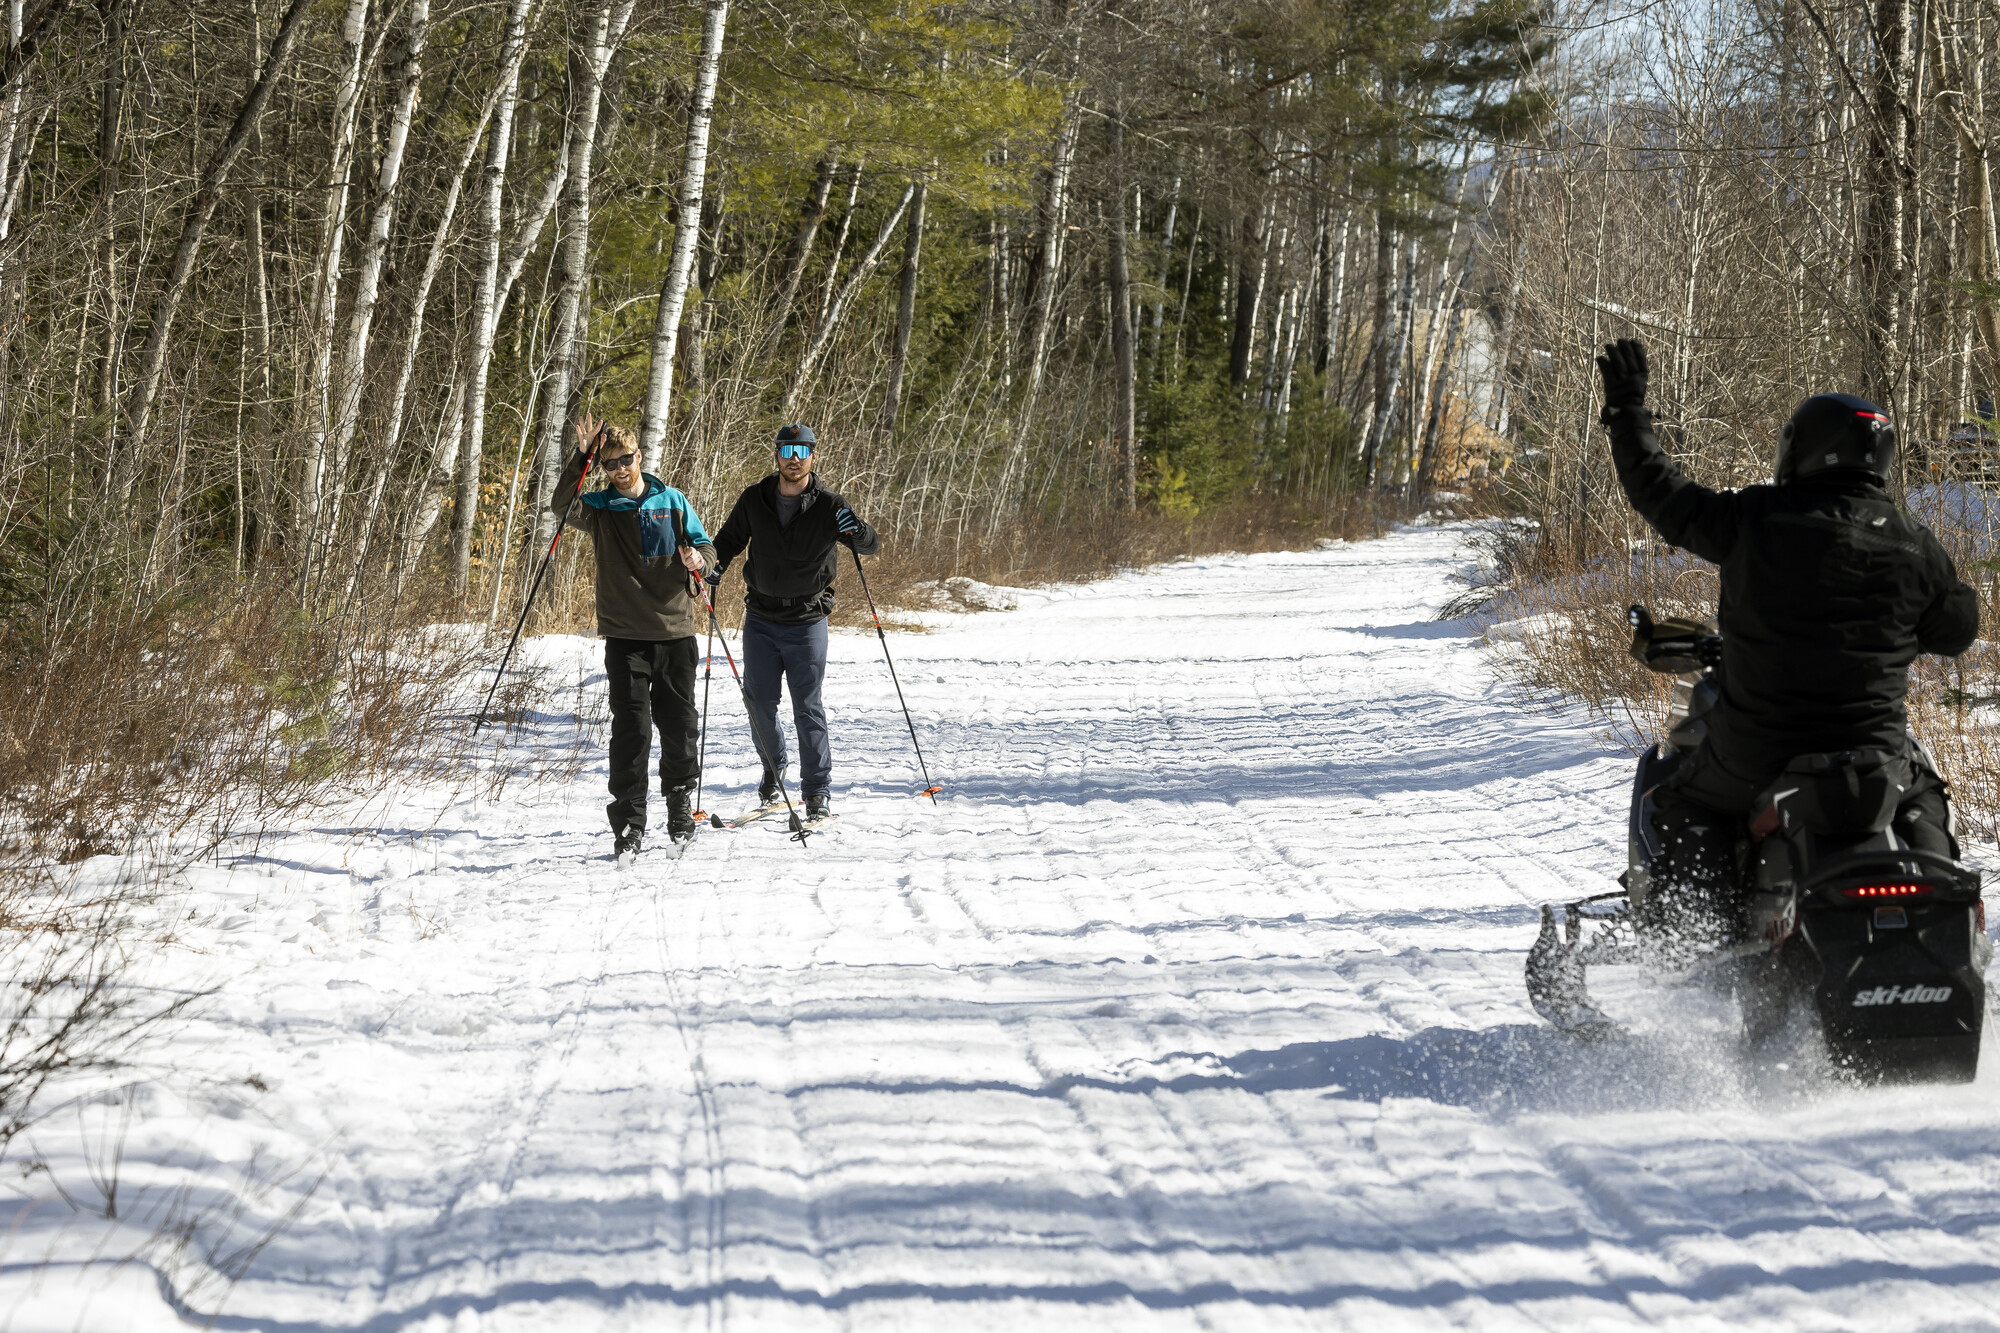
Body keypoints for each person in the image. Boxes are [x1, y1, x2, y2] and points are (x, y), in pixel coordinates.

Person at [1596, 338, 1979, 932]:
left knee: (1679, 799)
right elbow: (1957, 631)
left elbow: (1657, 490)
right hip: (1874, 751)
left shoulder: (1755, 518)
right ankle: (1948, 914)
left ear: (1806, 450)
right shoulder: (1912, 542)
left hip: (1759, 751)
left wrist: (1626, 409)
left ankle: (1695, 946)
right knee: (1923, 789)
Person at [549, 413, 716, 856]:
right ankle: (629, 824)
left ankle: (679, 807)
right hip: (625, 638)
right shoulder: (600, 509)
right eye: (610, 464)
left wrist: (698, 563)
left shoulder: (673, 501)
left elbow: (707, 549)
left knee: (679, 727)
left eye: (625, 460)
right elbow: (560, 503)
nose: (619, 469)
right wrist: (581, 455)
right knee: (632, 731)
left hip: (675, 633)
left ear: (639, 456)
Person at [707, 423, 878, 821]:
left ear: (813, 457)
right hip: (762, 619)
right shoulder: (755, 498)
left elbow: (868, 545)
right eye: (788, 450)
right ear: (777, 456)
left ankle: (817, 790)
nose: (795, 459)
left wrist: (860, 529)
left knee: (808, 707)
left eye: (803, 451)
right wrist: (714, 566)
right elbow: (729, 540)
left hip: (807, 620)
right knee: (759, 704)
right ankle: (774, 765)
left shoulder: (831, 505)